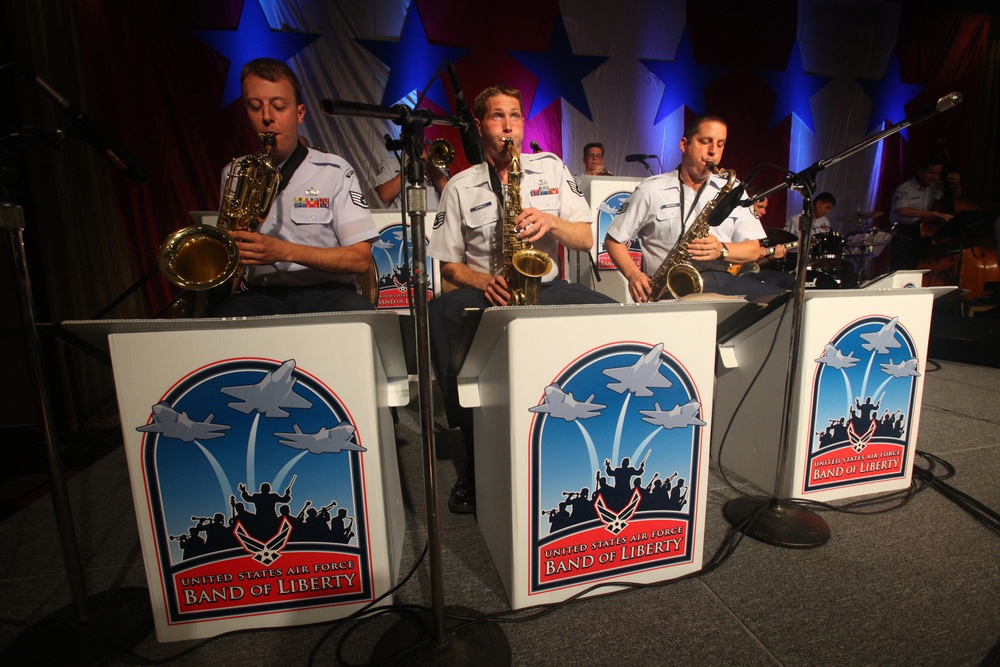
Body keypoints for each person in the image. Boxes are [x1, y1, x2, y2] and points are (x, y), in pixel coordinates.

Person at [428, 84, 618, 514]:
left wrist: (550, 221)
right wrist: (481, 280)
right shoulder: (459, 186)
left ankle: (595, 440)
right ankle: (473, 451)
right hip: (490, 289)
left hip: (543, 284)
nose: (509, 125)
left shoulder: (550, 169)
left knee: (607, 313)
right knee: (440, 313)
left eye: (515, 115)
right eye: (498, 117)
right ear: (480, 126)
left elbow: (587, 235)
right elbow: (448, 266)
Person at [211, 58, 379, 317]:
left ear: (299, 113)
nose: (267, 117)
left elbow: (359, 258)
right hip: (260, 296)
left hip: (327, 294)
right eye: (255, 107)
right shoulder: (234, 173)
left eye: (278, 106)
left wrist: (284, 251)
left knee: (361, 314)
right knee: (216, 319)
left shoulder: (334, 171)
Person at [604, 114, 787, 302]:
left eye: (720, 144)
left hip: (721, 281)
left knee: (780, 300)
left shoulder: (733, 190)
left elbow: (754, 249)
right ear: (684, 144)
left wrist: (722, 250)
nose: (713, 152)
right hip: (668, 288)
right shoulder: (651, 189)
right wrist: (634, 275)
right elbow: (613, 239)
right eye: (705, 142)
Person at [888, 157, 961, 271]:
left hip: (926, 232)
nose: (934, 177)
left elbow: (954, 199)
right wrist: (934, 214)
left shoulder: (938, 185)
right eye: (930, 173)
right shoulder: (905, 188)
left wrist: (957, 185)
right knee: (903, 268)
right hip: (905, 233)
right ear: (920, 171)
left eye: (937, 173)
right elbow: (902, 210)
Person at [373, 137, 450, 209]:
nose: (415, 138)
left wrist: (430, 163)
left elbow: (447, 191)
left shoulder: (437, 163)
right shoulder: (389, 162)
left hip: (433, 220)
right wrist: (409, 167)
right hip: (402, 221)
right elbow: (384, 195)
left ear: (425, 137)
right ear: (401, 137)